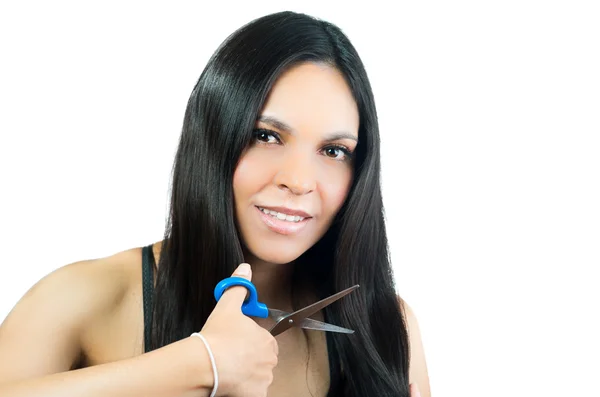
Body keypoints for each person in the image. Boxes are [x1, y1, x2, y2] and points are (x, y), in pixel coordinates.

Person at [0, 11, 430, 397]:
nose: (298, 181)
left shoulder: (386, 327)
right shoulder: (83, 298)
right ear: (212, 137)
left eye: (334, 151)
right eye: (266, 136)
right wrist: (195, 366)